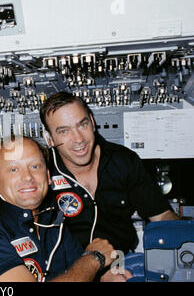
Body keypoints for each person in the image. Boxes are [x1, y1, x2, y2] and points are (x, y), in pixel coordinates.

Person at [0, 136, 131, 282]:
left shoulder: (53, 222)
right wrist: (94, 259)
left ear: (48, 177)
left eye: (35, 166)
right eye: (14, 169)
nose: (27, 177)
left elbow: (77, 272)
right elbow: (86, 264)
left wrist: (104, 277)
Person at [39, 92, 179, 254]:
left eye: (82, 125)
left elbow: (161, 216)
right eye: (64, 131)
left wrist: (182, 236)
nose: (78, 139)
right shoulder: (42, 170)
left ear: (92, 122)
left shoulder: (123, 160)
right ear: (49, 139)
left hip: (120, 261)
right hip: (68, 267)